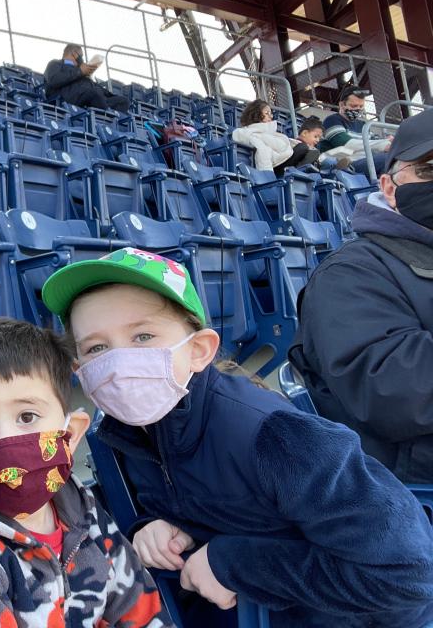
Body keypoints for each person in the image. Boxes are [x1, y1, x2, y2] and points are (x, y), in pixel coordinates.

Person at [41, 247, 433, 628]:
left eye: (143, 336)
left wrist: (233, 564)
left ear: (199, 350)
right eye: (97, 347)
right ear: (81, 371)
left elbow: (409, 575)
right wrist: (144, 525)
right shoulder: (122, 434)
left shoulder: (279, 436)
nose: (119, 361)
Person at [0, 317, 174, 628]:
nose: (5, 439)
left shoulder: (80, 508)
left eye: (27, 416)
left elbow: (140, 609)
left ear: (70, 434)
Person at [291, 108, 433, 484]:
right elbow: (397, 391)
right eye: (429, 170)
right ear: (389, 187)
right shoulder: (349, 273)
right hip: (407, 486)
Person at [231, 99, 319, 175]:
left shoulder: (268, 131)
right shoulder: (251, 132)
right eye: (267, 113)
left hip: (283, 159)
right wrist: (268, 176)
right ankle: (295, 173)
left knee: (312, 152)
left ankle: (298, 172)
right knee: (303, 148)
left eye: (271, 113)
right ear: (256, 114)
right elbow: (263, 153)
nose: (271, 116)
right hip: (276, 166)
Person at [321, 84, 390, 173]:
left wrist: (389, 141)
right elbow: (346, 144)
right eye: (353, 106)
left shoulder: (363, 125)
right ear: (342, 105)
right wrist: (383, 144)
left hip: (362, 160)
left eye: (361, 106)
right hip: (340, 165)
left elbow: (375, 141)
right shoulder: (331, 120)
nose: (358, 109)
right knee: (387, 158)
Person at [43, 44, 131, 113]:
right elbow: (53, 80)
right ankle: (107, 118)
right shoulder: (55, 63)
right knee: (93, 92)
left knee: (123, 101)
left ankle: (110, 117)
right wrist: (80, 72)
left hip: (90, 96)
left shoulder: (80, 70)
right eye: (81, 56)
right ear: (74, 54)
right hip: (65, 97)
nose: (82, 59)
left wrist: (110, 95)